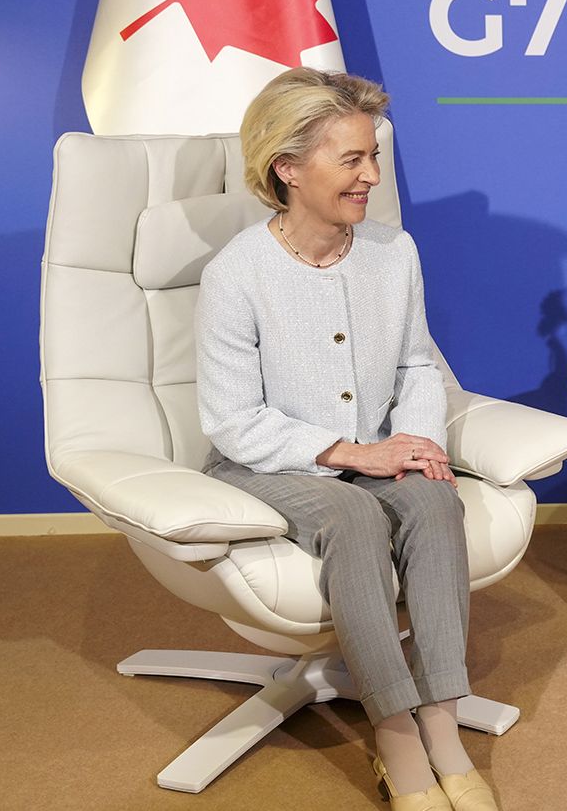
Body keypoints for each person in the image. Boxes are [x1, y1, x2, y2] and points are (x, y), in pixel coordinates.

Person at [196, 68, 498, 811]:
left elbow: (416, 363)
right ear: (288, 169)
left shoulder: (394, 252)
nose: (371, 176)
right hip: (269, 460)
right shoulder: (236, 273)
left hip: (377, 448)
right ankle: (397, 738)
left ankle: (442, 722)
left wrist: (419, 443)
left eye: (373, 156)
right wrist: (354, 454)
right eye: (352, 160)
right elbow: (233, 420)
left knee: (433, 503)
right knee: (356, 516)